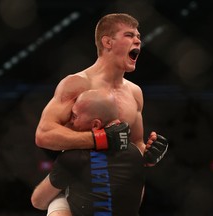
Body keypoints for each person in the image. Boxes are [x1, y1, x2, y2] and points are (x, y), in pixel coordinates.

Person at [33, 12, 168, 215]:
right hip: (78, 189)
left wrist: (148, 155)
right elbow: (44, 135)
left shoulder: (135, 92)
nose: (138, 40)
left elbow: (135, 144)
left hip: (120, 199)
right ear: (107, 42)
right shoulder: (78, 84)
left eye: (139, 36)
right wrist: (99, 139)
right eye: (129, 35)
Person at [31, 89, 148, 216]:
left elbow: (38, 201)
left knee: (56, 199)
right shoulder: (136, 153)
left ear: (96, 124)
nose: (71, 121)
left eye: (75, 116)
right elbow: (138, 199)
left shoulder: (73, 157)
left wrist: (61, 198)